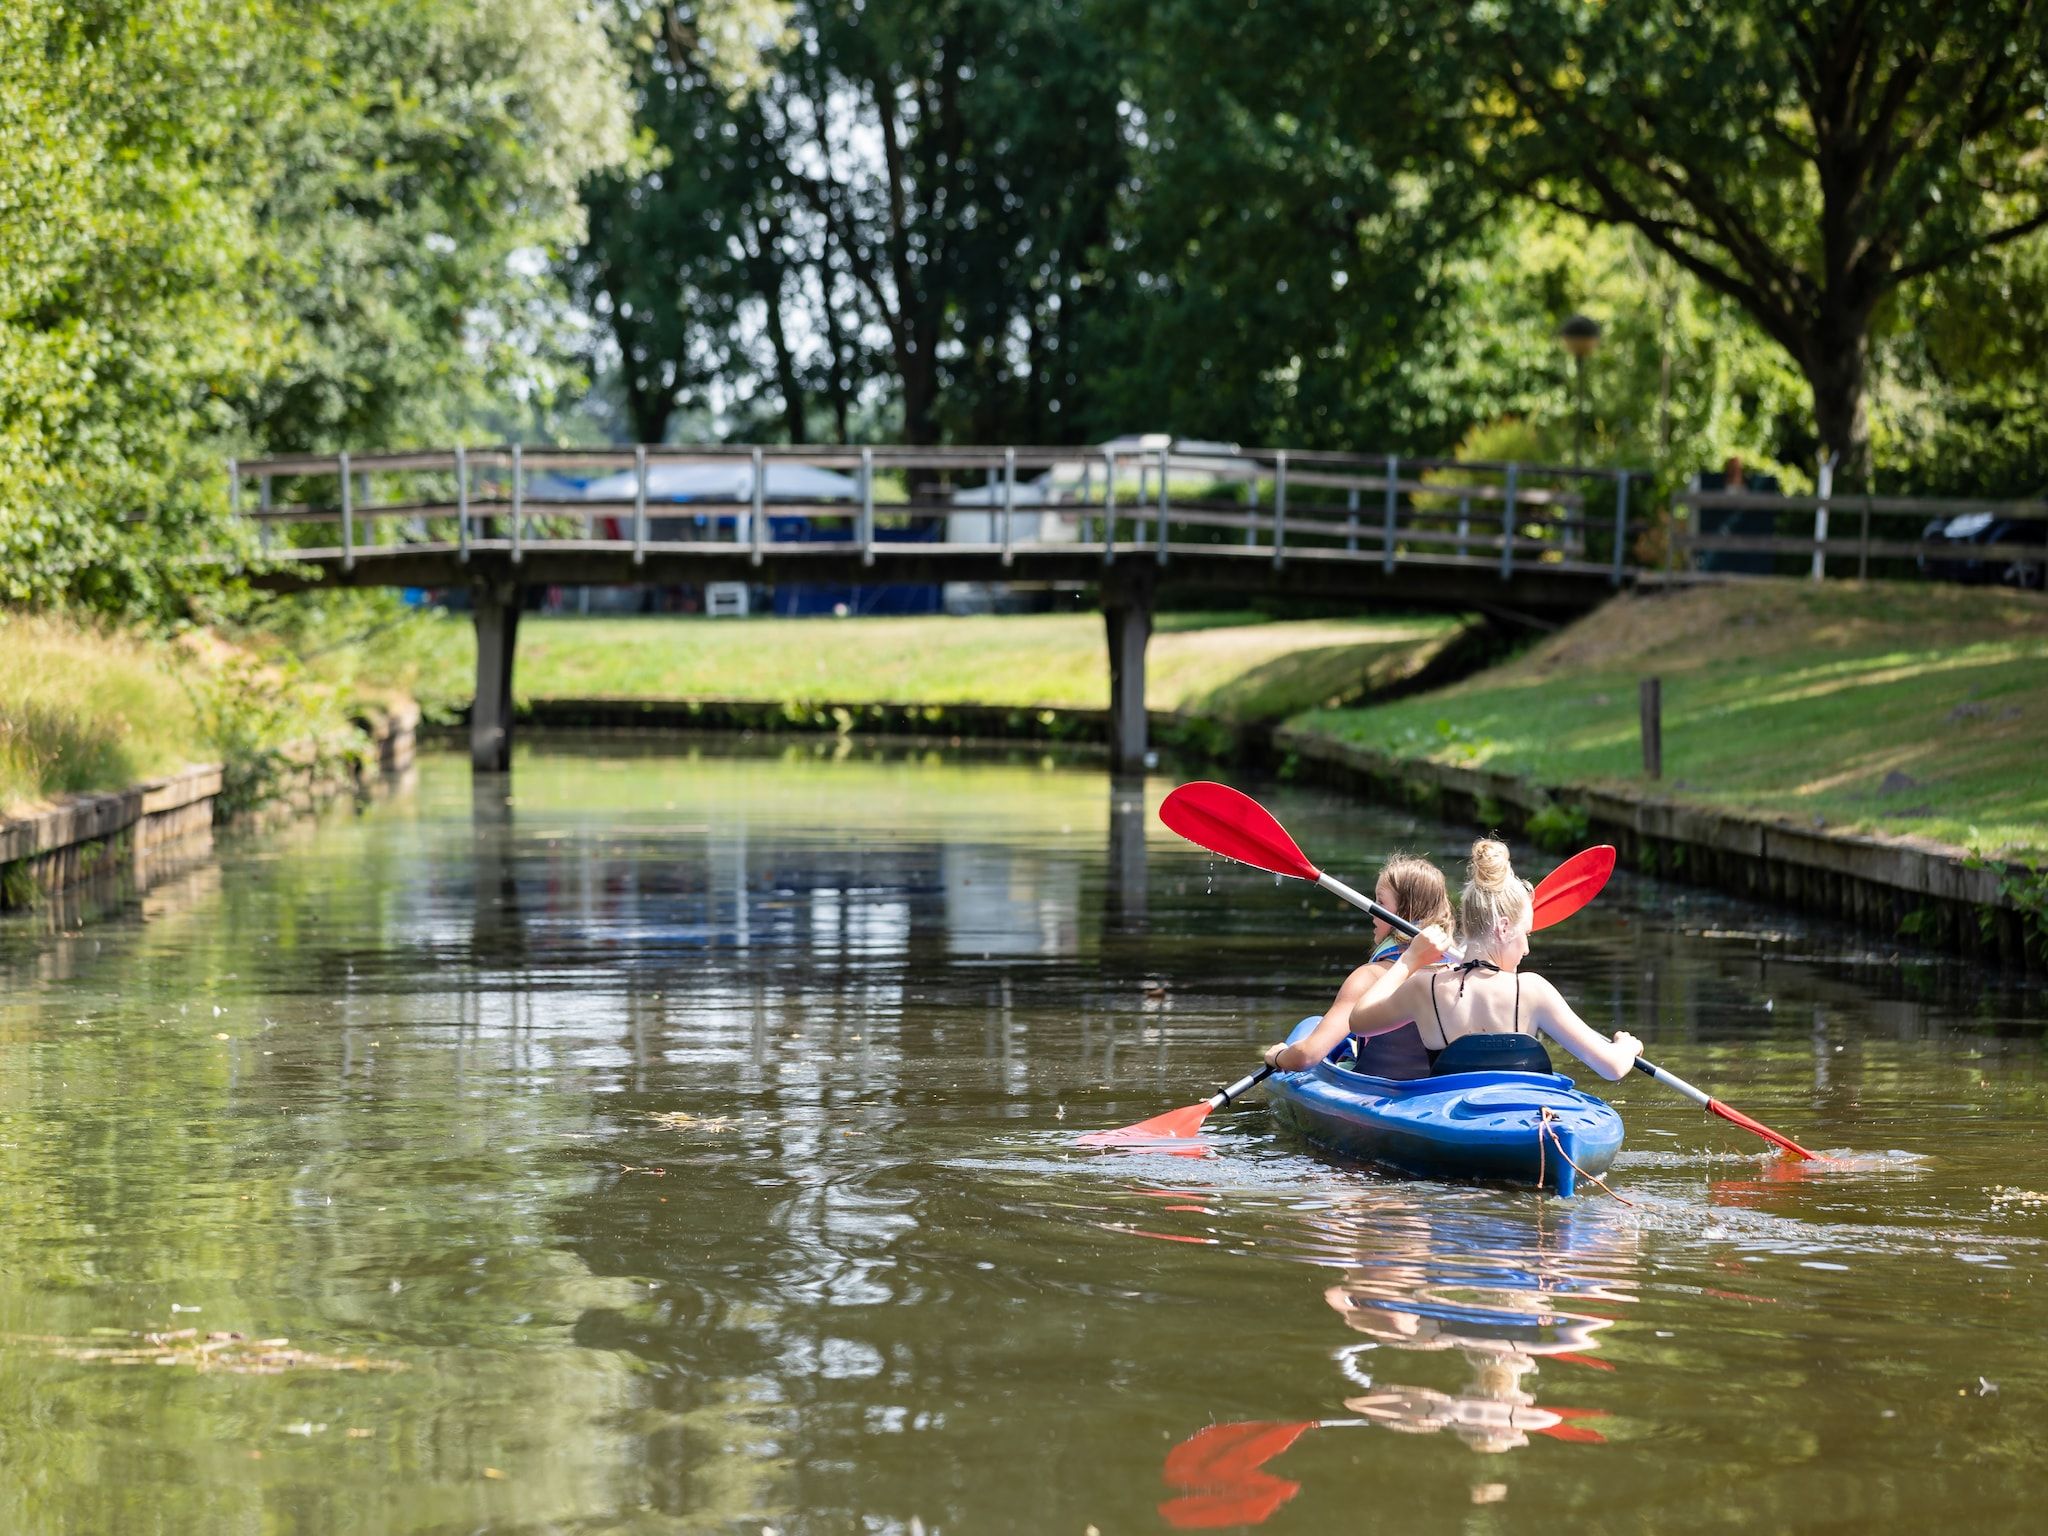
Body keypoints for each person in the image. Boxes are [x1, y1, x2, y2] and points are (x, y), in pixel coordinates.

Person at [1346, 839, 1642, 1081]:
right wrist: (1626, 1047)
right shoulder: (1532, 990)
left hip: (1451, 1122)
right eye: (1525, 933)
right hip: (1520, 1123)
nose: (1526, 948)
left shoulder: (1425, 987)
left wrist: (1408, 960)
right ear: (1502, 928)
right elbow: (1612, 1067)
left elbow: (1359, 1022)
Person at [1260, 854, 1453, 1077]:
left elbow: (1307, 1056)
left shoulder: (1368, 978)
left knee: (1312, 1026)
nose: (1372, 913)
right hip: (1433, 1091)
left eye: (1381, 903)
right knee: (1338, 1038)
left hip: (1379, 1089)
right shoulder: (1459, 975)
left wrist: (1277, 1056)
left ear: (1405, 913)